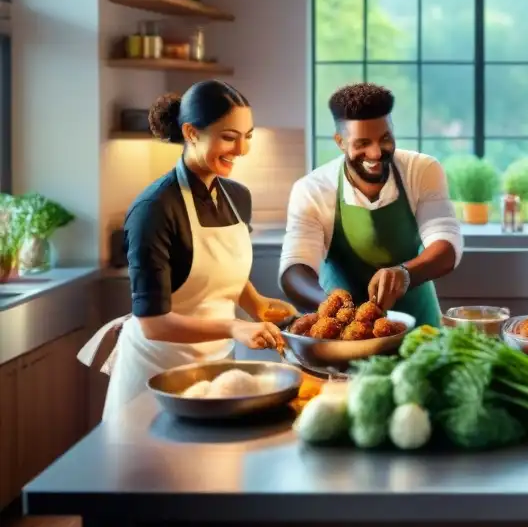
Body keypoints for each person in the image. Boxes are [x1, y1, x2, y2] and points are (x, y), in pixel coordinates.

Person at [78, 81, 296, 421]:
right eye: (228, 136)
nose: (241, 149)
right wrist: (233, 327)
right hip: (153, 377)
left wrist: (256, 304)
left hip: (216, 373)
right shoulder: (155, 208)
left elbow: (218, 270)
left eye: (248, 135)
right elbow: (153, 323)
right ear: (191, 132)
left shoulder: (237, 198)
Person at [279, 82, 462, 328]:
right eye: (362, 143)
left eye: (384, 138)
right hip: (342, 330)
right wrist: (330, 306)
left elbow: (446, 245)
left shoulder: (422, 170)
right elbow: (295, 269)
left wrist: (405, 274)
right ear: (340, 142)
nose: (375, 153)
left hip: (420, 326)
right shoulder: (313, 189)